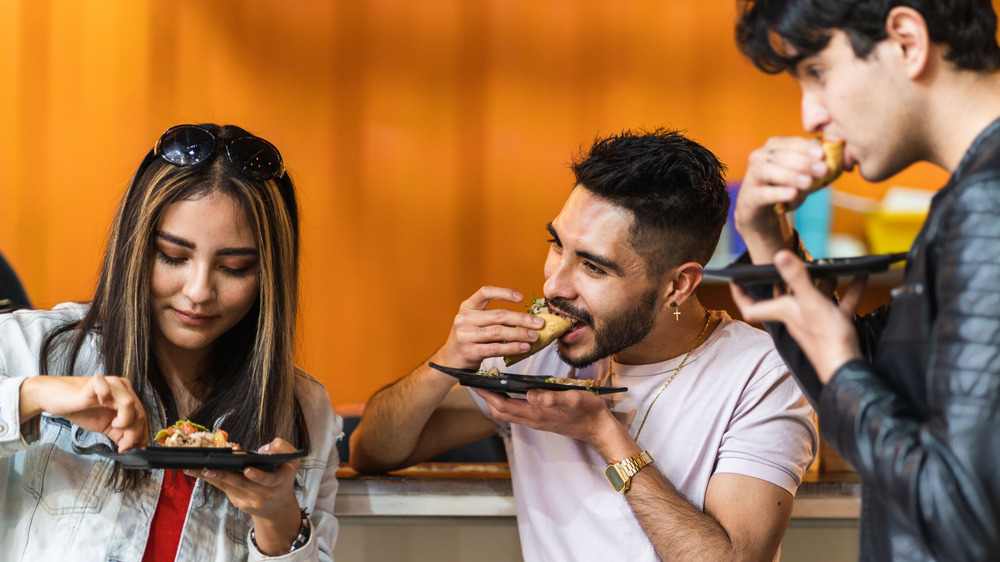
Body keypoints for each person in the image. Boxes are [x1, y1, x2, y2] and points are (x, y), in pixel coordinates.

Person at [350, 128, 817, 561]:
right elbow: (373, 451)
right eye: (557, 245)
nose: (554, 285)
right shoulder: (541, 354)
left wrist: (604, 435)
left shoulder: (762, 372)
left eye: (594, 267)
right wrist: (447, 359)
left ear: (678, 285)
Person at [731, 1, 1000, 559]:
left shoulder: (987, 205)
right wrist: (764, 237)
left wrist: (840, 365)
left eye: (817, 72)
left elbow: (962, 516)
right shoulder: (969, 195)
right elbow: (891, 386)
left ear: (906, 40)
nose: (810, 117)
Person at [0, 124, 342, 561]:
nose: (199, 291)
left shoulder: (304, 411)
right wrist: (34, 394)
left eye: (235, 267)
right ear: (136, 248)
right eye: (173, 257)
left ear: (268, 280)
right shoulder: (32, 348)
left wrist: (277, 519)